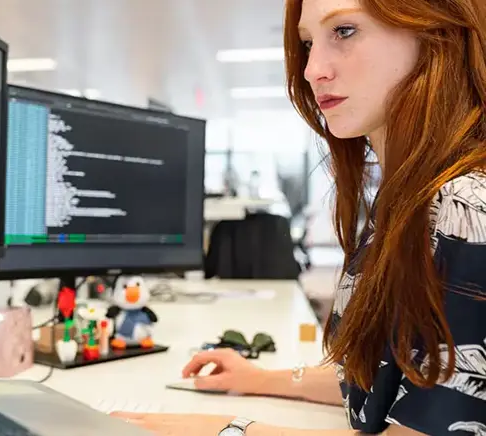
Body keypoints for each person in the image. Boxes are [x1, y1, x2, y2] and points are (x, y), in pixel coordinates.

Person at [113, 0, 486, 434]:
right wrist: (258, 379)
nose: (311, 69)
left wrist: (227, 429)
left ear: (435, 33)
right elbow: (385, 379)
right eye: (308, 43)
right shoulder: (407, 200)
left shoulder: (464, 206)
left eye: (344, 31)